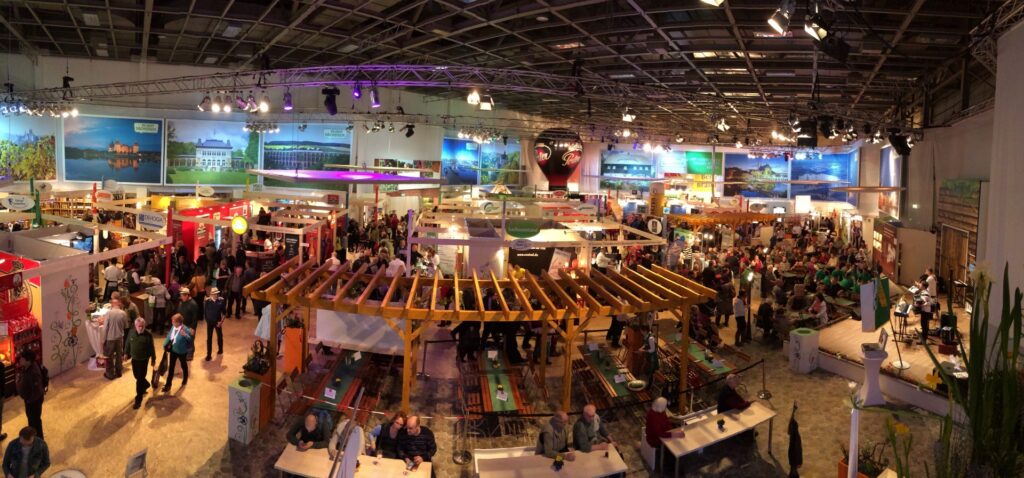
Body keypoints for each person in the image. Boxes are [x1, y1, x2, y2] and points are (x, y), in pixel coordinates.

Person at [124, 317, 156, 409]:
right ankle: (146, 384)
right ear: (135, 326)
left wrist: (153, 359)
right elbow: (127, 343)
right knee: (136, 376)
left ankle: (138, 399)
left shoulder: (148, 335)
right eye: (139, 326)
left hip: (144, 360)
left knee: (139, 379)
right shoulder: (131, 332)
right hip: (134, 358)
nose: (141, 328)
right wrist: (125, 353)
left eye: (142, 326)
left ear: (144, 326)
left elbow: (152, 348)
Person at [15, 352, 45, 440]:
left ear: (28, 361)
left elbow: (33, 390)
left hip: (33, 401)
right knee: (35, 420)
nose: (20, 360)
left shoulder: (32, 372)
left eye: (22, 358)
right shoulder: (30, 366)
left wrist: (17, 382)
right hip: (34, 400)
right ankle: (36, 438)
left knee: (34, 421)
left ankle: (36, 440)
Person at [162, 313, 193, 392]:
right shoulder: (173, 327)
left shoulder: (185, 329)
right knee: (171, 367)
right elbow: (169, 336)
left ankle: (185, 379)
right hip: (173, 350)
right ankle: (168, 385)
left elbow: (190, 341)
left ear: (179, 322)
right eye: (172, 321)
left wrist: (185, 335)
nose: (172, 323)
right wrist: (164, 344)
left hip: (182, 351)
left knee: (183, 365)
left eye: (173, 321)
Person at [103, 299, 129, 380]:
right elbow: (126, 326)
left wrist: (103, 339)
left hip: (110, 338)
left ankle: (110, 374)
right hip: (120, 337)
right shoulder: (123, 313)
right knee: (119, 355)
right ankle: (119, 372)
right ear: (118, 304)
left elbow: (105, 328)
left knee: (109, 356)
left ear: (112, 304)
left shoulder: (108, 313)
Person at [204, 287, 225, 361]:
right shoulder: (207, 301)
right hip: (209, 323)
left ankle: (220, 349)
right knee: (209, 339)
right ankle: (209, 355)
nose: (215, 295)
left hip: (218, 322)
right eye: (214, 294)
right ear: (211, 294)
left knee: (220, 336)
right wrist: (207, 320)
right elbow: (205, 312)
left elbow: (224, 313)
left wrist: (221, 322)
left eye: (216, 293)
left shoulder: (221, 301)